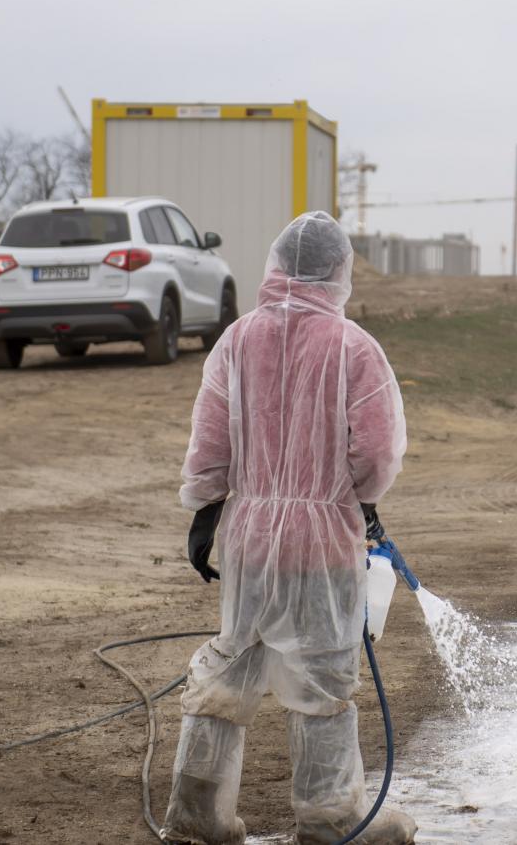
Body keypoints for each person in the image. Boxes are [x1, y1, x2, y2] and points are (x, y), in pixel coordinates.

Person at [161, 212, 416, 845]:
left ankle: (198, 816)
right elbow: (378, 452)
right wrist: (360, 499)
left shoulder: (237, 340)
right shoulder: (353, 347)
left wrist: (205, 509)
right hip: (323, 538)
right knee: (324, 678)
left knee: (232, 662)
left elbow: (210, 436)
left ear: (275, 266)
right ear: (339, 270)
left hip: (250, 538)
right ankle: (330, 818)